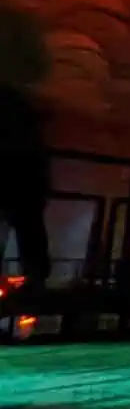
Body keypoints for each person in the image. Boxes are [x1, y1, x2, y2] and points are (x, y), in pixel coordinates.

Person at [0, 82, 52, 300]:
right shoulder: (20, 109)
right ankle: (36, 280)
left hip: (17, 177)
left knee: (26, 227)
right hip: (27, 179)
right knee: (30, 228)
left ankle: (36, 279)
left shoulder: (12, 106)